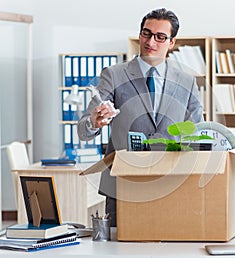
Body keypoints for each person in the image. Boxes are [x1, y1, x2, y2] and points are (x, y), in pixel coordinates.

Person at [77, 8, 204, 227]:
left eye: (160, 37)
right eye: (146, 33)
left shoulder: (187, 80)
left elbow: (196, 131)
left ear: (171, 42)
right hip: (122, 183)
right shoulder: (114, 74)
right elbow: (83, 128)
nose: (151, 41)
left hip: (171, 181)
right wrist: (93, 122)